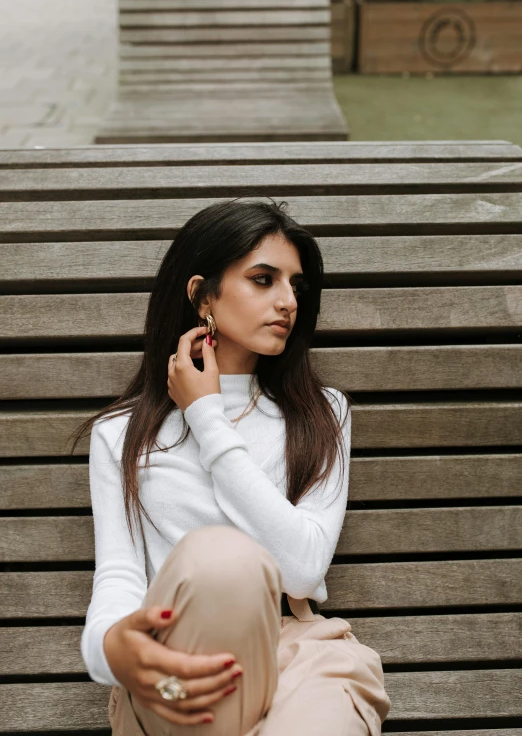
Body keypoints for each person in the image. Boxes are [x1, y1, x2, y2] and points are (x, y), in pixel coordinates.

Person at [72, 197, 391, 736]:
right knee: (217, 557)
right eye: (264, 280)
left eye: (296, 285)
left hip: (301, 654)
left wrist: (206, 417)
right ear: (202, 295)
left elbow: (302, 566)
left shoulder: (322, 414)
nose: (288, 300)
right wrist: (110, 652)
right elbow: (121, 575)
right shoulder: (120, 434)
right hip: (181, 656)